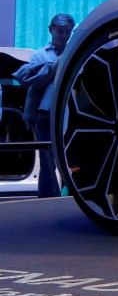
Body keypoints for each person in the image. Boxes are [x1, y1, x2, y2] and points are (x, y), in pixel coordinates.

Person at [13, 13, 74, 198]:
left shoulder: (73, 53)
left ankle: (69, 200)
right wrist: (56, 66)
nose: (63, 35)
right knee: (47, 164)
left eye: (67, 32)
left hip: (70, 113)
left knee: (70, 160)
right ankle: (46, 202)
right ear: (51, 30)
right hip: (45, 114)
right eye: (60, 31)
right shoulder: (40, 55)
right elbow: (30, 80)